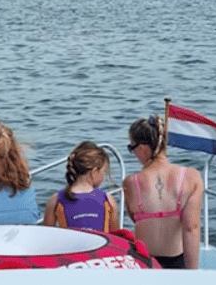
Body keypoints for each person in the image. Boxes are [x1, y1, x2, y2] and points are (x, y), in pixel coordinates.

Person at [122, 115, 203, 269]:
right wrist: (193, 275)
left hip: (145, 262)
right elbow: (191, 228)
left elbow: (136, 219)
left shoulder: (131, 183)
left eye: (131, 148)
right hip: (176, 261)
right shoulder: (192, 178)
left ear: (143, 148)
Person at [42, 141, 119, 232]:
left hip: (71, 246)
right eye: (103, 172)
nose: (103, 176)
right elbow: (115, 237)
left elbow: (47, 236)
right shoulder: (108, 200)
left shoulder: (55, 200)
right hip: (102, 247)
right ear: (94, 172)